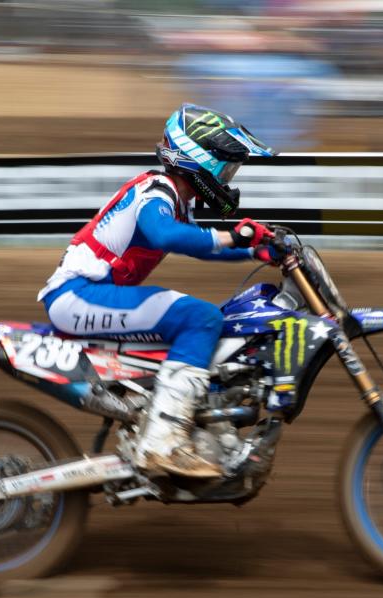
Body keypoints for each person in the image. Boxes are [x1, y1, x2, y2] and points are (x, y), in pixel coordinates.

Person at [37, 103, 276, 478]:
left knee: (211, 321)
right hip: (77, 294)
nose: (229, 178)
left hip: (91, 296)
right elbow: (167, 236)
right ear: (199, 160)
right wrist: (236, 235)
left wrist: (255, 251)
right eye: (225, 167)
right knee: (199, 317)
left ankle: (174, 423)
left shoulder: (176, 203)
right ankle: (163, 441)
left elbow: (199, 245)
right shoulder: (156, 190)